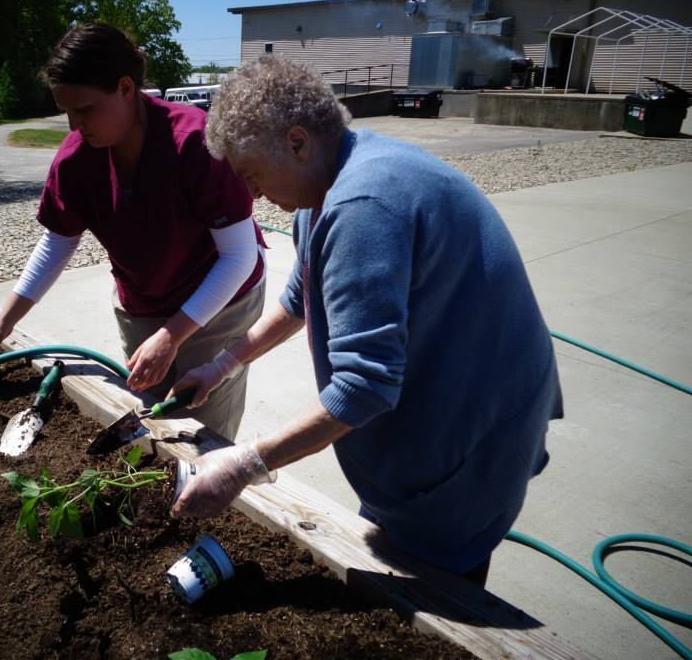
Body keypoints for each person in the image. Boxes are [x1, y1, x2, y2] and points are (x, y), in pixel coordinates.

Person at [168, 55, 563, 586]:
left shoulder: (364, 203)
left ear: (297, 142)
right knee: (397, 539)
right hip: (449, 384)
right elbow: (301, 297)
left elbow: (364, 387)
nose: (251, 193)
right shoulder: (324, 181)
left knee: (441, 573)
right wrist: (222, 365)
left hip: (476, 414)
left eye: (251, 173)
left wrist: (243, 467)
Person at [0, 23, 266, 440]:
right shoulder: (76, 160)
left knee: (200, 421)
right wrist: (3, 322)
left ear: (125, 88)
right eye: (66, 111)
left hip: (221, 299)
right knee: (150, 415)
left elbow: (238, 256)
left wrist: (172, 334)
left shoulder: (195, 143)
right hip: (143, 300)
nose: (73, 125)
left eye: (84, 110)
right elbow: (58, 242)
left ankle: (208, 497)